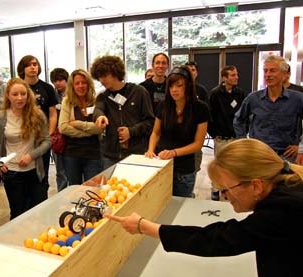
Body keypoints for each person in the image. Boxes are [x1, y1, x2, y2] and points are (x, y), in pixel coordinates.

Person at [107, 138, 303, 277]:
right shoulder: (285, 189)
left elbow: (216, 239)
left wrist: (145, 227)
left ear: (256, 185)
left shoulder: (282, 210)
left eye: (226, 189)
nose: (225, 197)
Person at [0, 78, 51, 219]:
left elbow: (47, 141)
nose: (20, 98)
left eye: (23, 94)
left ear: (28, 95)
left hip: (34, 172)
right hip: (11, 173)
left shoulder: (37, 115)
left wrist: (32, 155)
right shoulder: (1, 116)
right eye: (15, 94)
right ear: (8, 95)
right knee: (18, 213)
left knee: (39, 212)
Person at [145, 66, 209, 197]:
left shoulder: (200, 108)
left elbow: (198, 144)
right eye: (171, 86)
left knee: (181, 206)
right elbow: (156, 133)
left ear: (188, 86)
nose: (174, 90)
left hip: (184, 169)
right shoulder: (163, 106)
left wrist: (174, 152)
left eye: (179, 86)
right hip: (161, 163)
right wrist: (150, 150)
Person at [234, 55, 303, 163]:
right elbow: (238, 120)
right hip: (259, 156)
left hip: (286, 157)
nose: (268, 75)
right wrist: (244, 143)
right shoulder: (253, 98)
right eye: (265, 71)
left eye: (272, 71)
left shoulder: (297, 99)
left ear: (284, 74)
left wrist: (300, 148)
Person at [91, 55, 154, 169]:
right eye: (99, 77)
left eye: (104, 76)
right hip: (110, 156)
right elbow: (98, 109)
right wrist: (100, 117)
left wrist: (131, 131)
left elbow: (150, 121)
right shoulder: (103, 97)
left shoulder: (139, 92)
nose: (101, 80)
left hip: (136, 154)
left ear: (115, 72)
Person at [17, 55, 57, 193]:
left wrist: (50, 133)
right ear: (22, 69)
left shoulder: (47, 88)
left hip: (42, 139)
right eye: (29, 65)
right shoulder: (18, 88)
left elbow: (52, 113)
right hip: (22, 138)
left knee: (41, 177)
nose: (33, 67)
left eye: (35, 64)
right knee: (22, 177)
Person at [208, 65, 246, 200]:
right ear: (224, 78)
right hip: (221, 138)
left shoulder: (240, 93)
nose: (237, 77)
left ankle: (230, 190)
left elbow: (243, 115)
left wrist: (242, 134)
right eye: (233, 75)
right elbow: (210, 116)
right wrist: (214, 134)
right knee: (219, 165)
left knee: (233, 167)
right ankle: (215, 189)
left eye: (236, 74)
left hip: (236, 138)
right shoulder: (215, 93)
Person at [59, 69, 102, 185]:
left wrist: (78, 124)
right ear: (72, 86)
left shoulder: (96, 101)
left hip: (93, 153)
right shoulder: (67, 102)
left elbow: (100, 128)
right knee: (74, 189)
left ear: (89, 84)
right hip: (72, 154)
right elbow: (63, 127)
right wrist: (90, 131)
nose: (80, 86)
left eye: (84, 82)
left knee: (93, 188)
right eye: (77, 83)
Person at [50, 68, 69, 191]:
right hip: (57, 139)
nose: (58, 83)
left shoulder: (73, 94)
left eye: (61, 80)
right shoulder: (52, 96)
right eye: (55, 81)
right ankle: (61, 193)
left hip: (72, 137)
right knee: (60, 171)